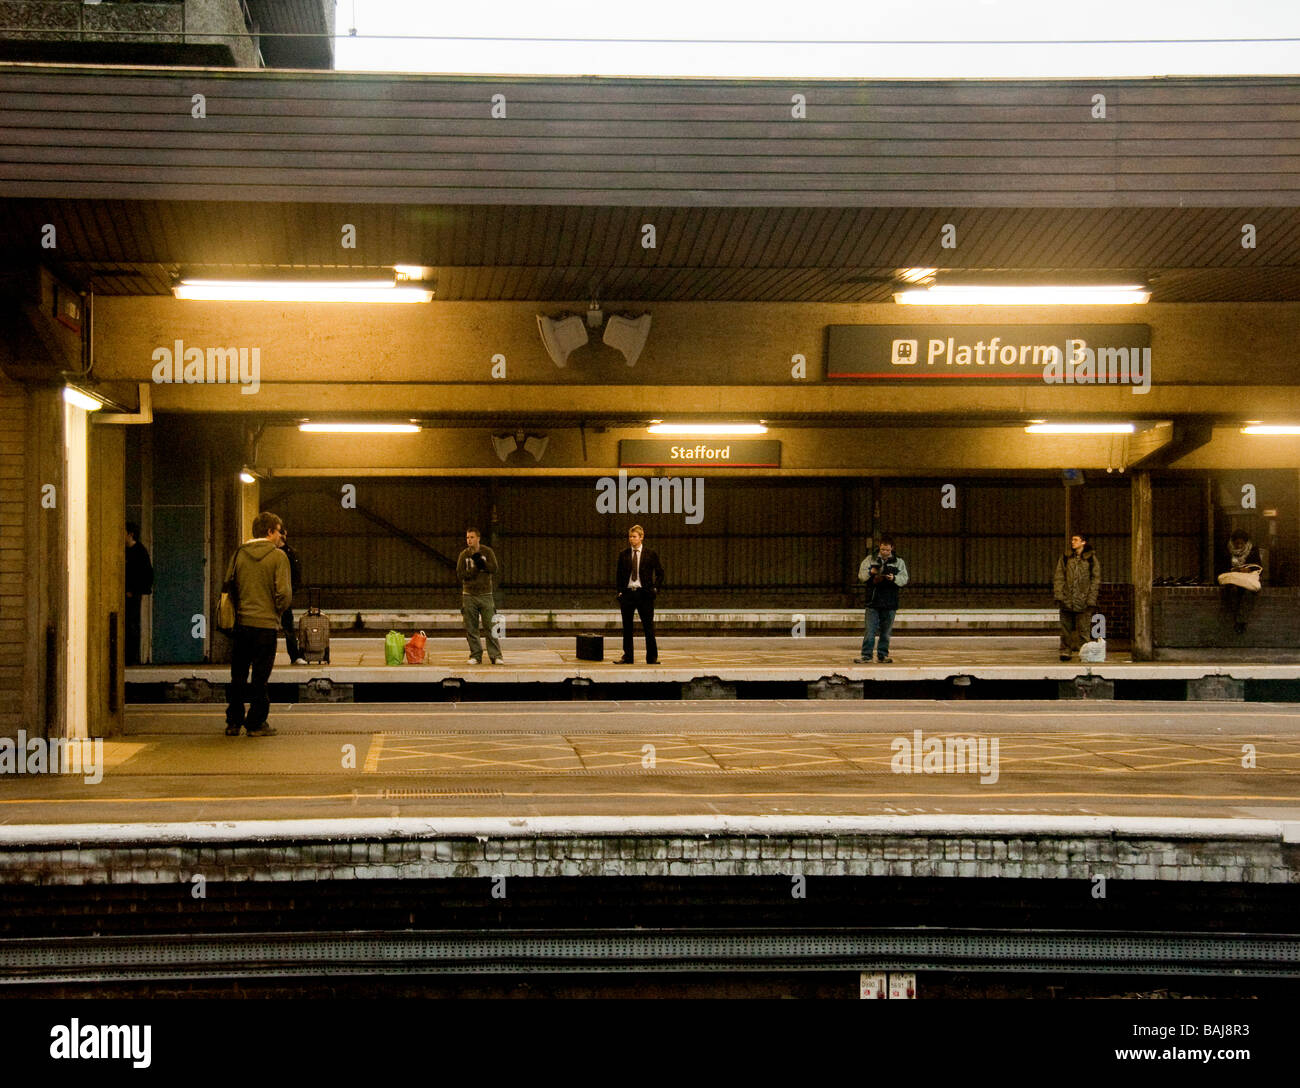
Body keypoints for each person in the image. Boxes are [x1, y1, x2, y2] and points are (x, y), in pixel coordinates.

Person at [224, 511, 292, 737]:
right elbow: (284, 594)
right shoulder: (278, 557)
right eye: (279, 530)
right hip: (265, 627)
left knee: (238, 675)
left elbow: (228, 586)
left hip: (241, 624)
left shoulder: (238, 554)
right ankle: (255, 723)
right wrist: (276, 612)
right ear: (270, 531)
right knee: (260, 677)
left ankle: (233, 722)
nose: (280, 535)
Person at [615, 524, 665, 664]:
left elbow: (660, 573)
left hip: (644, 594)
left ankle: (652, 657)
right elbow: (619, 574)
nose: (631, 539)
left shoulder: (650, 554)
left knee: (648, 627)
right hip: (628, 594)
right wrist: (620, 592)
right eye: (630, 537)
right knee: (627, 628)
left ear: (641, 537)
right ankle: (628, 656)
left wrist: (655, 589)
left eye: (634, 537)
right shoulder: (623, 554)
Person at [855, 534, 908, 664]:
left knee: (886, 632)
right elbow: (861, 576)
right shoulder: (869, 560)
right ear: (879, 547)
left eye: (887, 550)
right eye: (882, 549)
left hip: (890, 602)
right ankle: (866, 655)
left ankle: (882, 655)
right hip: (873, 601)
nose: (884, 552)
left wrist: (893, 578)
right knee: (870, 630)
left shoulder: (899, 562)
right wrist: (871, 573)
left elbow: (904, 579)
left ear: (892, 549)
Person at [1053, 532, 1100, 661]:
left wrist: (1091, 598)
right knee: (1065, 629)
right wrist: (1059, 595)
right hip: (1067, 599)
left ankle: (1084, 652)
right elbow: (1059, 577)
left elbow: (1095, 580)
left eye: (1076, 540)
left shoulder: (1091, 559)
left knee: (1084, 629)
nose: (1072, 542)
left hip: (1083, 600)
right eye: (1072, 540)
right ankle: (1065, 650)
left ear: (1083, 542)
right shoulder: (1065, 558)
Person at [457, 527, 501, 664]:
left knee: (491, 625)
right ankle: (475, 655)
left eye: (471, 537)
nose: (469, 540)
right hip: (469, 595)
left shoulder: (487, 552)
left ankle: (496, 656)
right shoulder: (463, 555)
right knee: (471, 627)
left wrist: (483, 564)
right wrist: (476, 569)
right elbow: (461, 574)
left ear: (478, 538)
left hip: (486, 594)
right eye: (467, 538)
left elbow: (494, 568)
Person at [1219, 528, 1263, 634]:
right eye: (1236, 543)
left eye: (1241, 543)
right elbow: (1220, 568)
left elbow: (1259, 567)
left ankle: (1240, 622)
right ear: (1232, 543)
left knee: (1248, 594)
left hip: (1247, 581)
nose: (1238, 546)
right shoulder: (1227, 551)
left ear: (1246, 542)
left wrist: (1248, 569)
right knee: (1233, 592)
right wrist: (1233, 569)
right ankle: (1239, 621)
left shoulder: (1253, 551)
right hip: (1233, 581)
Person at [124, 521, 153, 666]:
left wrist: (134, 591)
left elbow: (147, 575)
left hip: (132, 595)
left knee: (132, 625)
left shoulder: (140, 552)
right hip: (124, 595)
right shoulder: (124, 551)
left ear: (130, 534)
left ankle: (131, 658)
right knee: (127, 625)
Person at [278, 527, 307, 665]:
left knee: (288, 627)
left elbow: (296, 575)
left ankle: (294, 656)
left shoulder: (289, 553)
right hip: (281, 594)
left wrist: (290, 591)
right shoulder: (288, 553)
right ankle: (294, 656)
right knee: (287, 627)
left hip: (283, 595)